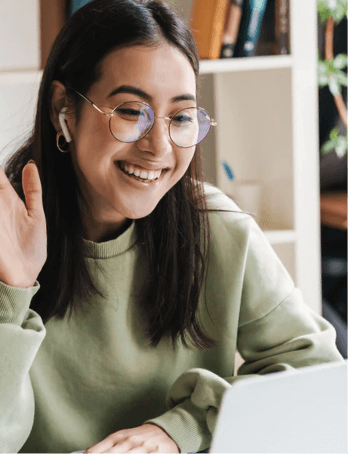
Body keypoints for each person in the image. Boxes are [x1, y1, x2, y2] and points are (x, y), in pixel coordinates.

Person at [0, 0, 344, 453]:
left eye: (181, 117)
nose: (159, 147)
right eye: (130, 111)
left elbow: (318, 377)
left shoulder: (218, 231)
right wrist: (15, 289)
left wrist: (182, 428)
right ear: (65, 109)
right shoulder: (7, 235)